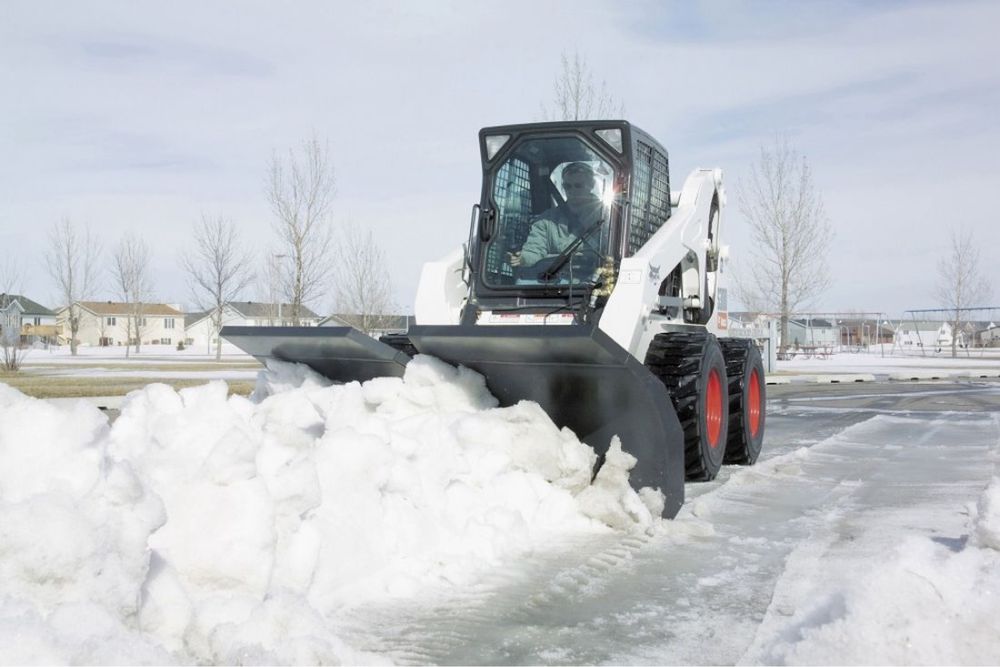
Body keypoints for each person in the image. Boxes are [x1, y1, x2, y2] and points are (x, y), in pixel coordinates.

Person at [507, 162, 606, 270]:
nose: (572, 191)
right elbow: (534, 249)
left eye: (578, 186)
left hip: (595, 280)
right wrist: (522, 258)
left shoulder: (606, 217)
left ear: (591, 185)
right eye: (567, 186)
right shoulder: (547, 220)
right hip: (554, 281)